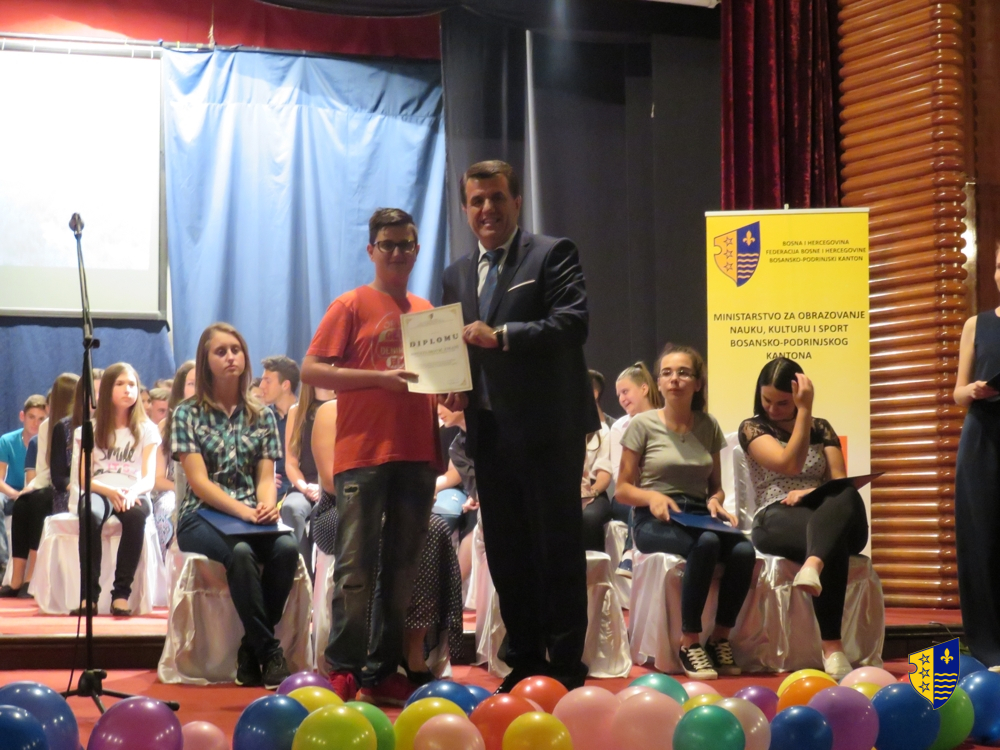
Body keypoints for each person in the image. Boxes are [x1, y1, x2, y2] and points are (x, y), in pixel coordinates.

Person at [440, 160, 598, 691]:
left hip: (549, 430)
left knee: (556, 548)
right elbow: (457, 349)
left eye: (497, 198)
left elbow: (573, 322)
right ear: (465, 208)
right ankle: (526, 660)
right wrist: (453, 385)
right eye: (476, 201)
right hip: (487, 432)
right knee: (507, 551)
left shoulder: (552, 253)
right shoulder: (456, 274)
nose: (487, 209)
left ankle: (566, 667)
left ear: (517, 202)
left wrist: (503, 336)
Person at [301, 208, 441, 705]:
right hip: (363, 452)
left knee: (402, 569)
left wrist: (453, 392)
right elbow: (311, 370)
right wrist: (378, 379)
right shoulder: (351, 303)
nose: (398, 252)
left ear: (417, 250)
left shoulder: (426, 310)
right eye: (388, 244)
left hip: (417, 452)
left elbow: (436, 380)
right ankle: (344, 666)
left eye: (406, 244)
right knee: (355, 568)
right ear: (371, 250)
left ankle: (382, 670)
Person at [617, 344, 755, 680]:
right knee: (707, 543)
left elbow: (715, 487)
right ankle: (689, 641)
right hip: (654, 518)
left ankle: (720, 638)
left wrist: (716, 501)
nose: (674, 379)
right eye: (667, 373)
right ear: (658, 383)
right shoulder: (642, 424)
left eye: (683, 373)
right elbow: (622, 489)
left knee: (744, 551)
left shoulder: (708, 425)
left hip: (698, 514)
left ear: (697, 383)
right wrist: (651, 497)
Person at [173, 323, 297, 689]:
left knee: (287, 548)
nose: (231, 357)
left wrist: (266, 507)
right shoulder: (186, 413)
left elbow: (265, 477)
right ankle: (270, 653)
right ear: (206, 361)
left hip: (250, 515)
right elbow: (199, 482)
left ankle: (249, 650)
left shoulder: (262, 415)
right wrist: (245, 512)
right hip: (200, 515)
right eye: (221, 351)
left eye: (236, 350)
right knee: (241, 554)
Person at [310, 399, 463, 693]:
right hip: (339, 506)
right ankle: (346, 668)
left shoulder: (417, 409)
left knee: (429, 534)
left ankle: (407, 655)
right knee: (365, 553)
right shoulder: (333, 409)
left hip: (399, 491)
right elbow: (331, 483)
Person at [740, 357, 869, 679]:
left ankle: (812, 564)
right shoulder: (753, 428)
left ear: (798, 396)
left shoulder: (821, 427)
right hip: (776, 515)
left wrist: (810, 492)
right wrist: (803, 413)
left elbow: (838, 481)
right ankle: (832, 649)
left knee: (846, 495)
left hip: (822, 511)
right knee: (831, 544)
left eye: (783, 403)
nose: (773, 409)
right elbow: (790, 464)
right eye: (767, 400)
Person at [70, 364, 159, 617]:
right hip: (100, 489)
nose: (127, 390)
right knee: (90, 514)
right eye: (120, 384)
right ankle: (89, 597)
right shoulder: (89, 429)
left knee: (136, 517)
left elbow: (149, 478)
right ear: (107, 389)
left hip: (133, 491)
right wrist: (110, 492)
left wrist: (131, 493)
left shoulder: (148, 429)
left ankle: (121, 595)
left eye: (132, 384)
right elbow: (84, 477)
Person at [955, 249, 1000, 667]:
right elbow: (957, 391)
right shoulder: (976, 324)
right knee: (981, 538)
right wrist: (972, 390)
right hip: (983, 435)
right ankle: (987, 646)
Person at [0, 375, 79, 597]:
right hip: (52, 483)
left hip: (69, 487)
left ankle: (31, 578)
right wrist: (30, 488)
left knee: (39, 502)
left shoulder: (80, 426)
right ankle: (16, 579)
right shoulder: (47, 427)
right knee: (23, 502)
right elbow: (44, 470)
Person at [609, 361, 663, 575]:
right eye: (618, 395)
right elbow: (618, 476)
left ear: (644, 388)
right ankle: (629, 552)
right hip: (626, 495)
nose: (622, 399)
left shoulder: (665, 420)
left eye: (625, 391)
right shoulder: (619, 427)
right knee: (640, 503)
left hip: (661, 491)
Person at [281, 381, 335, 570]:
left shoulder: (342, 407)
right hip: (304, 485)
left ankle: (318, 576)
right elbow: (291, 463)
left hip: (333, 486)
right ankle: (302, 574)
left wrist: (324, 487)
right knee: (291, 508)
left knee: (319, 512)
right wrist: (305, 487)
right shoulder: (297, 411)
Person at [151, 360, 196, 559]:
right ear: (181, 388)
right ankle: (166, 565)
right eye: (192, 384)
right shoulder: (165, 426)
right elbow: (157, 479)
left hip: (209, 492)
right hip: (172, 490)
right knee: (169, 508)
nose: (198, 389)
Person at [0, 395, 48, 572]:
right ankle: (2, 563)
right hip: (11, 491)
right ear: (22, 416)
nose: (35, 423)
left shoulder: (48, 440)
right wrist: (14, 494)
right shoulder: (7, 441)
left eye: (41, 419)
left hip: (36, 491)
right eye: (31, 417)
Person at [260, 355, 300, 499]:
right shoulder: (261, 418)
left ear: (285, 385)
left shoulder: (305, 416)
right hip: (272, 486)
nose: (261, 386)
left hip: (299, 486)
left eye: (267, 381)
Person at [581, 379, 613, 553]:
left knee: (589, 517)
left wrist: (590, 493)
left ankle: (593, 568)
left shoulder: (603, 431)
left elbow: (604, 476)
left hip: (593, 490)